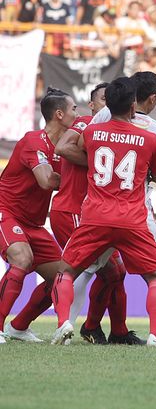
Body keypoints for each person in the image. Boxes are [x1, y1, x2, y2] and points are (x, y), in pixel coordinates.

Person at [70, 72, 156, 347]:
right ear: (153, 97)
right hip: (138, 209)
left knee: (85, 269)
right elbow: (155, 173)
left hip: (99, 205)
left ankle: (65, 326)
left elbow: (85, 147)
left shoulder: (102, 116)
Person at [50, 77, 156, 347]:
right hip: (132, 219)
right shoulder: (150, 139)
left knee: (66, 272)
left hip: (95, 216)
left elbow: (80, 151)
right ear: (132, 107)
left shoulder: (92, 133)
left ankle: (62, 324)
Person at [0, 88, 77, 344]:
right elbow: (46, 180)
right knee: (22, 258)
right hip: (6, 213)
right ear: (59, 114)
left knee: (62, 277)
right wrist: (73, 179)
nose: (77, 115)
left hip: (34, 224)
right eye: (74, 109)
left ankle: (19, 326)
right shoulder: (34, 140)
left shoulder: (65, 148)